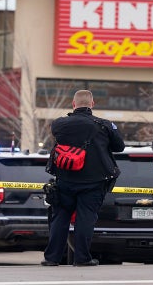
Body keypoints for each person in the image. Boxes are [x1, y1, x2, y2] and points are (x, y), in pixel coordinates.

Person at [42, 89, 125, 267]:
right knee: (85, 219)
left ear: (73, 104)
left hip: (65, 179)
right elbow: (119, 147)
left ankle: (51, 258)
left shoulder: (59, 124)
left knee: (60, 218)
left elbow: (59, 136)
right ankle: (82, 258)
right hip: (93, 182)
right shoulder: (104, 125)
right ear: (92, 104)